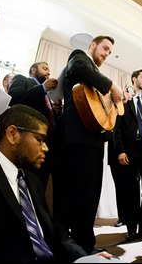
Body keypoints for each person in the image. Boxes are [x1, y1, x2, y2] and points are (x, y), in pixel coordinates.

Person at [0, 104, 122, 263]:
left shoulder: (31, 180)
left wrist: (82, 258)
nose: (46, 148)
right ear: (12, 134)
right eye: (40, 140)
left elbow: (54, 231)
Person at [57, 35, 124, 254]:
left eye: (109, 52)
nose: (106, 54)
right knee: (80, 196)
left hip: (94, 142)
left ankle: (85, 244)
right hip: (77, 141)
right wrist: (112, 85)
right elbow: (79, 67)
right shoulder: (79, 58)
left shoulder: (94, 82)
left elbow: (99, 114)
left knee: (91, 197)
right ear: (93, 45)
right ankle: (78, 247)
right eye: (105, 48)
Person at [113, 68, 142, 242]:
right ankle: (131, 229)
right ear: (134, 79)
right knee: (131, 191)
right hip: (130, 151)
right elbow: (116, 129)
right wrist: (120, 151)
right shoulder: (124, 100)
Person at [8, 62, 63, 190]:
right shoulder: (22, 80)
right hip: (30, 143)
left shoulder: (48, 95)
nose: (48, 72)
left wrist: (58, 112)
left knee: (40, 187)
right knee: (27, 185)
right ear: (33, 70)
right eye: (44, 69)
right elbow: (13, 97)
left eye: (49, 70)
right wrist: (43, 88)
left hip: (49, 146)